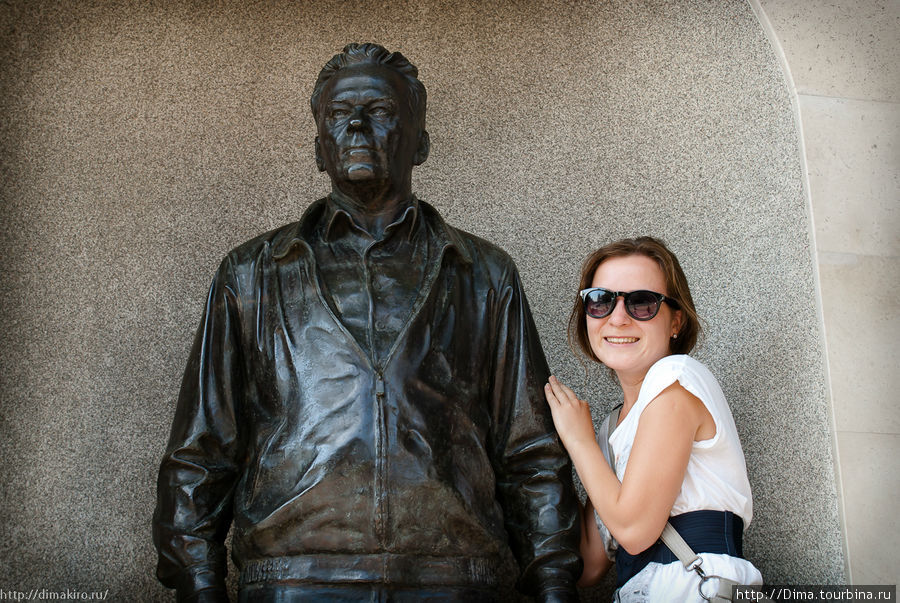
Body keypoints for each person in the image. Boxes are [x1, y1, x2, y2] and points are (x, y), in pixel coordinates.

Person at [152, 43, 581, 602]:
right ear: (318, 147)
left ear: (420, 142)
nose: (356, 124)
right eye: (338, 114)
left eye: (380, 111)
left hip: (455, 583)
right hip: (295, 582)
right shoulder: (251, 274)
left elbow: (531, 454)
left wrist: (553, 587)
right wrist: (199, 588)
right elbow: (199, 455)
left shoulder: (484, 274)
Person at [544, 237, 762, 601]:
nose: (617, 317)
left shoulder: (677, 377)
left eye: (641, 303)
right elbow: (589, 566)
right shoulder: (613, 428)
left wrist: (578, 440)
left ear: (676, 321)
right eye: (600, 300)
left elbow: (633, 529)